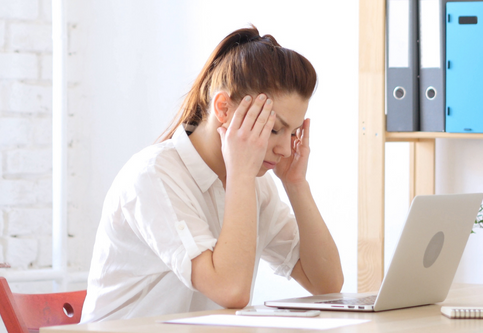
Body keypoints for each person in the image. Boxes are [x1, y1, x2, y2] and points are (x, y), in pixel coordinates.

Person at [81, 25, 343, 322]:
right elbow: (231, 290)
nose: (285, 148)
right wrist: (241, 176)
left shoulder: (259, 184)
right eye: (273, 129)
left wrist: (296, 184)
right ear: (223, 108)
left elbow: (327, 284)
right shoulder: (154, 176)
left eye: (293, 132)